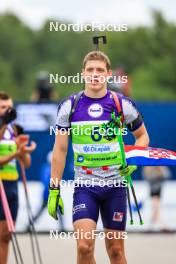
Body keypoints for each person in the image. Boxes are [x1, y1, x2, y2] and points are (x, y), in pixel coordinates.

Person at [47, 51, 149, 264]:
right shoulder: (70, 106)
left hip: (115, 186)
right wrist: (54, 188)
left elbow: (142, 137)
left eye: (100, 70)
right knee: (84, 247)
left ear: (108, 74)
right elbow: (60, 150)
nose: (95, 74)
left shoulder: (122, 104)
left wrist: (133, 161)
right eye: (90, 70)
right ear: (83, 73)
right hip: (86, 185)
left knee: (116, 252)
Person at [0, 91, 36, 264]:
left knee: (6, 235)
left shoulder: (13, 130)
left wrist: (24, 152)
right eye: (3, 107)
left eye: (10, 107)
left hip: (11, 186)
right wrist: (15, 154)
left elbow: (26, 163)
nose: (7, 111)